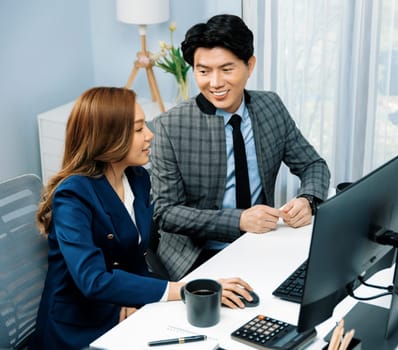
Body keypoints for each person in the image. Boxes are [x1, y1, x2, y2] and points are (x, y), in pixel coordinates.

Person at [30, 87, 256, 350]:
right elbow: (93, 280)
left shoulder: (137, 178)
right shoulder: (72, 196)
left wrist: (130, 297)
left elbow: (133, 256)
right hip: (79, 327)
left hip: (122, 306)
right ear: (108, 137)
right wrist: (182, 290)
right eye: (138, 130)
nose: (150, 134)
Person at [151, 14, 331, 280]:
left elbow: (312, 165)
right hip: (199, 255)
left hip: (263, 241)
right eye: (203, 71)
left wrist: (308, 200)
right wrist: (238, 220)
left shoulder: (271, 106)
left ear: (250, 65)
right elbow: (165, 212)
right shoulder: (169, 126)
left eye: (226, 69)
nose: (215, 83)